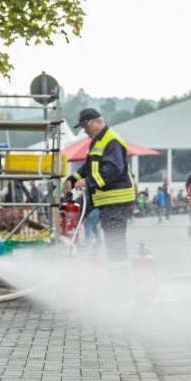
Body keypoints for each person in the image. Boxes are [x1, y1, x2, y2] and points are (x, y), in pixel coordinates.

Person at [67, 109, 135, 265]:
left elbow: (113, 170)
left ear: (97, 122)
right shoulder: (96, 141)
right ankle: (116, 276)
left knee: (115, 244)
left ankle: (118, 280)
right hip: (107, 202)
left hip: (117, 201)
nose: (84, 131)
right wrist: (73, 178)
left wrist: (88, 182)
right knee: (112, 242)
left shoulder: (112, 141)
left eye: (86, 126)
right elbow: (89, 167)